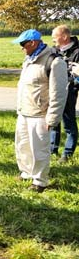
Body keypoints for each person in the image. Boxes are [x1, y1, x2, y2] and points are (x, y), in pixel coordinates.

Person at [12, 29, 67, 192]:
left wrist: (52, 119)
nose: (21, 48)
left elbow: (59, 94)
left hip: (40, 114)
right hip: (24, 112)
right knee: (22, 145)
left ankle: (40, 180)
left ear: (33, 43)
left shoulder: (54, 62)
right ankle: (27, 172)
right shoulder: (28, 59)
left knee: (39, 150)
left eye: (23, 44)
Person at [50, 25, 79, 163]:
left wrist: (72, 79)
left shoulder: (77, 52)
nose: (53, 40)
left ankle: (67, 154)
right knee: (54, 121)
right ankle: (52, 149)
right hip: (54, 91)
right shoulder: (54, 51)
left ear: (64, 37)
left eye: (55, 37)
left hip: (69, 91)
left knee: (69, 123)